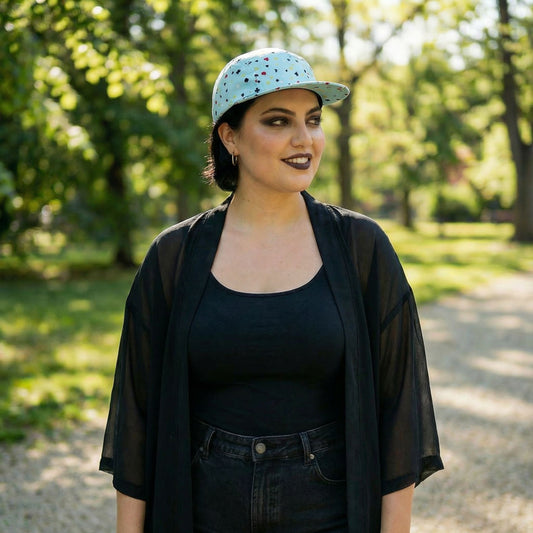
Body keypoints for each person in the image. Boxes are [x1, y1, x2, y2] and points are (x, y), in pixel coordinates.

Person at [100, 48, 443, 533]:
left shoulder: (361, 247)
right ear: (230, 137)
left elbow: (398, 411)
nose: (305, 139)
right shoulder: (174, 256)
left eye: (313, 120)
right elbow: (137, 418)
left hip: (329, 515)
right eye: (278, 121)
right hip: (201, 513)